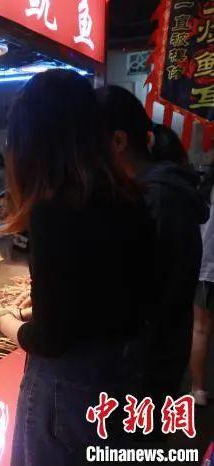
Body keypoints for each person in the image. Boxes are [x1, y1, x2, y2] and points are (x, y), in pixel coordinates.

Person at [0, 70, 155, 464]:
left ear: (35, 143)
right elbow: (101, 299)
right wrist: (31, 310)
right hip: (122, 379)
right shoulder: (129, 197)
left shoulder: (55, 210)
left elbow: (50, 339)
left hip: (66, 394)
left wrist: (2, 321)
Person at [98, 86, 209, 415]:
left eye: (89, 142)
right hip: (149, 356)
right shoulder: (148, 191)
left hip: (146, 365)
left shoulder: (159, 197)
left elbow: (152, 291)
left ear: (118, 142)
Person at [193, 168, 214, 405]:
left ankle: (198, 390)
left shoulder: (204, 190)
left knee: (200, 329)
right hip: (206, 267)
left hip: (205, 268)